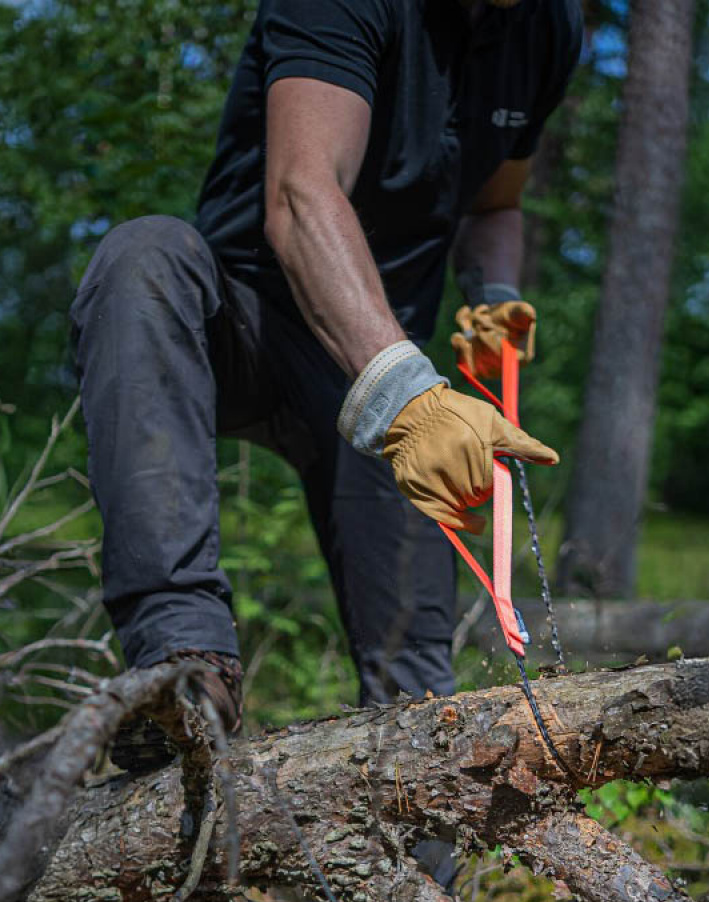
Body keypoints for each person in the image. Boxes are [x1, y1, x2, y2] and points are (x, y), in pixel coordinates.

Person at [70, 0, 583, 770]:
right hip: (249, 327)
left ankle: (413, 880)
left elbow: (496, 204)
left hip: (383, 364)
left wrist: (494, 291)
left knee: (419, 694)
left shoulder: (548, 30)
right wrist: (407, 395)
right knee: (144, 261)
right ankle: (183, 667)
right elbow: (301, 196)